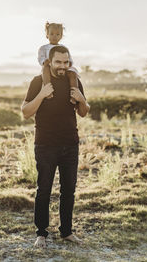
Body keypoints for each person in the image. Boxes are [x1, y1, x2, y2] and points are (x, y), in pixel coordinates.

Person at [21, 45, 90, 248]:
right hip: (45, 145)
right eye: (58, 62)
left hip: (70, 145)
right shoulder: (38, 82)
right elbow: (25, 112)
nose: (62, 66)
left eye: (66, 62)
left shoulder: (74, 81)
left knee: (69, 190)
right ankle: (41, 234)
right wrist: (41, 94)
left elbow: (84, 112)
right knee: (44, 190)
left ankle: (66, 232)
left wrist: (82, 99)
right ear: (49, 61)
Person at [38, 22, 78, 103]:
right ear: (47, 35)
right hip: (49, 67)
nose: (54, 36)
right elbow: (40, 58)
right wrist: (44, 62)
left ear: (61, 36)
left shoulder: (63, 48)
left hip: (63, 67)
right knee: (45, 69)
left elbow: (69, 59)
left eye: (57, 34)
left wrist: (69, 64)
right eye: (51, 34)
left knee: (73, 73)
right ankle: (48, 89)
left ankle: (75, 94)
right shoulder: (44, 48)